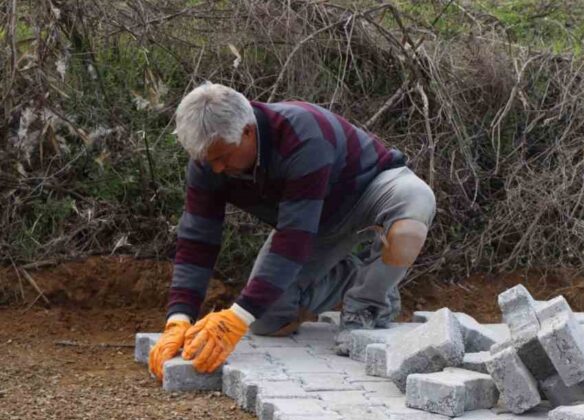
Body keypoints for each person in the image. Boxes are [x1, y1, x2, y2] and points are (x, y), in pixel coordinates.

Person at [147, 83, 435, 380]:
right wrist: (179, 317)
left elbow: (293, 239)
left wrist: (237, 316)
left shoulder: (302, 135)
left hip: (370, 192)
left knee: (412, 214)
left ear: (247, 131)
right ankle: (355, 272)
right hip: (316, 221)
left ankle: (369, 303)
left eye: (223, 157)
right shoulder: (208, 162)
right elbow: (198, 240)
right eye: (209, 160)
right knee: (267, 320)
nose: (217, 168)